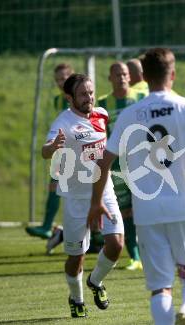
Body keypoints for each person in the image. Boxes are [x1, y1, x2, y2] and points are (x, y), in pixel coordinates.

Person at [87, 47, 185, 325]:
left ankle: (176, 315)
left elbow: (104, 163)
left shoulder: (129, 114)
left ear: (143, 77)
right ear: (173, 73)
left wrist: (96, 202)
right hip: (184, 205)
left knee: (160, 286)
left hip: (147, 212)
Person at [42, 73, 124, 317]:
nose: (88, 97)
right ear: (70, 98)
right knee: (76, 256)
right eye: (82, 94)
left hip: (104, 190)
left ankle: (96, 282)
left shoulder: (102, 114)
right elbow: (45, 152)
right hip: (76, 198)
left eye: (90, 92)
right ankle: (76, 299)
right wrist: (52, 147)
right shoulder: (62, 123)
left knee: (116, 244)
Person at [98, 62, 146, 271]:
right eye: (117, 74)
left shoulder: (141, 99)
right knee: (125, 211)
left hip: (142, 164)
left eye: (125, 74)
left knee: (145, 208)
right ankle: (134, 257)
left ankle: (152, 252)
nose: (122, 78)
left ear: (130, 76)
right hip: (116, 166)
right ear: (110, 78)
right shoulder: (102, 104)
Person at [26, 63, 73, 240]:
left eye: (64, 78)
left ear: (72, 76)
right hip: (63, 151)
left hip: (81, 152)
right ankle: (47, 226)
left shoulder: (82, 97)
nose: (61, 82)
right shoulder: (57, 100)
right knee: (54, 186)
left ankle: (97, 233)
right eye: (58, 80)